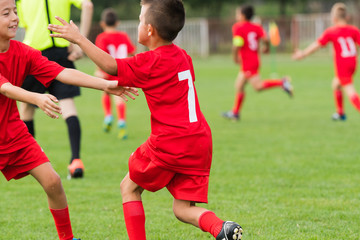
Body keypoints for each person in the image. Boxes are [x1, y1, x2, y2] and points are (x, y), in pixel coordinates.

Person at [48, 0, 243, 239]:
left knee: (128, 187)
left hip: (171, 140)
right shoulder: (184, 57)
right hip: (199, 140)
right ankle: (220, 227)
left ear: (149, 30)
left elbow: (110, 65)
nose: (138, 24)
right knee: (182, 210)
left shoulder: (150, 62)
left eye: (141, 20)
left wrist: (78, 38)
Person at [0, 0, 137, 239]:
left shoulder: (23, 52)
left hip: (12, 131)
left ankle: (67, 238)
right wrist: (36, 98)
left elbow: (62, 72)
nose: (14, 18)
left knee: (53, 181)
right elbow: (6, 88)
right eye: (5, 13)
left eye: (14, 11)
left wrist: (105, 84)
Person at [16, 0, 93, 178]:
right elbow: (88, 5)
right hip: (61, 53)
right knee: (68, 108)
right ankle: (76, 161)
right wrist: (81, 41)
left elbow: (24, 26)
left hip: (33, 55)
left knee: (26, 108)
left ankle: (30, 162)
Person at [222, 5, 293, 121]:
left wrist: (234, 57)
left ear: (243, 16)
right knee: (239, 85)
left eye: (237, 14)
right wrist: (266, 48)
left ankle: (282, 82)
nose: (236, 16)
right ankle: (235, 113)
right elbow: (266, 39)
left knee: (258, 87)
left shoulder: (238, 27)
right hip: (253, 60)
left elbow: (237, 45)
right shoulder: (256, 27)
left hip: (248, 62)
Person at [293, 2, 360, 121]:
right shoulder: (354, 30)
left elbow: (316, 45)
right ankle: (340, 113)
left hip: (343, 65)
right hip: (353, 63)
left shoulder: (332, 31)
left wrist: (303, 54)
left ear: (334, 18)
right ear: (347, 17)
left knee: (350, 91)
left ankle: (341, 113)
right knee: (336, 84)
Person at [95, 8, 136, 139]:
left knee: (106, 91)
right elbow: (132, 52)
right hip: (122, 71)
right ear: (117, 23)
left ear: (102, 23)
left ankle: (108, 115)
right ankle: (122, 122)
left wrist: (98, 70)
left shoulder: (102, 37)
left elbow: (99, 55)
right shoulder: (123, 36)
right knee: (119, 97)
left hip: (107, 70)